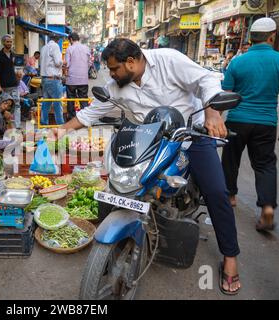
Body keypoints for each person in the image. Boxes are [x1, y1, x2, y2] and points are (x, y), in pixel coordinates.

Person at [54, 38, 241, 295]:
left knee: (217, 192)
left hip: (189, 133)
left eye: (114, 68)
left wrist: (211, 112)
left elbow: (205, 80)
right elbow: (92, 112)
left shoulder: (168, 60)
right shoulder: (117, 85)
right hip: (146, 138)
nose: (111, 74)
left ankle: (230, 257)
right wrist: (61, 131)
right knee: (120, 183)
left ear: (131, 62)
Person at [221, 17, 279, 233]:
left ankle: (230, 196)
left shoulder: (237, 62)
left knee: (230, 158)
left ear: (251, 37)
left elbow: (226, 94)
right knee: (265, 164)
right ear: (272, 36)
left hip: (238, 118)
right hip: (266, 122)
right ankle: (267, 206)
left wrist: (217, 120)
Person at [0, 34, 21, 129]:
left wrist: (19, 75)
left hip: (14, 85)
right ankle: (4, 127)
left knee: (16, 105)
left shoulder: (14, 55)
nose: (9, 43)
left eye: (10, 41)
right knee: (4, 107)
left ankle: (17, 126)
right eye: (7, 41)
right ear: (3, 42)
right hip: (4, 87)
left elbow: (17, 69)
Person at [64, 32, 91, 121]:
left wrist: (65, 71)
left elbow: (67, 64)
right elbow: (90, 63)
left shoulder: (69, 49)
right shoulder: (86, 48)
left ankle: (72, 118)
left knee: (70, 100)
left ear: (71, 39)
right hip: (83, 79)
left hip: (71, 79)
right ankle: (85, 119)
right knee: (83, 99)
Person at [40, 34, 64, 125]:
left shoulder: (44, 47)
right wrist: (63, 62)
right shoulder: (55, 46)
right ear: (58, 40)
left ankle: (43, 124)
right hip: (53, 79)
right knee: (57, 103)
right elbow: (58, 62)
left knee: (46, 103)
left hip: (45, 78)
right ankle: (60, 125)